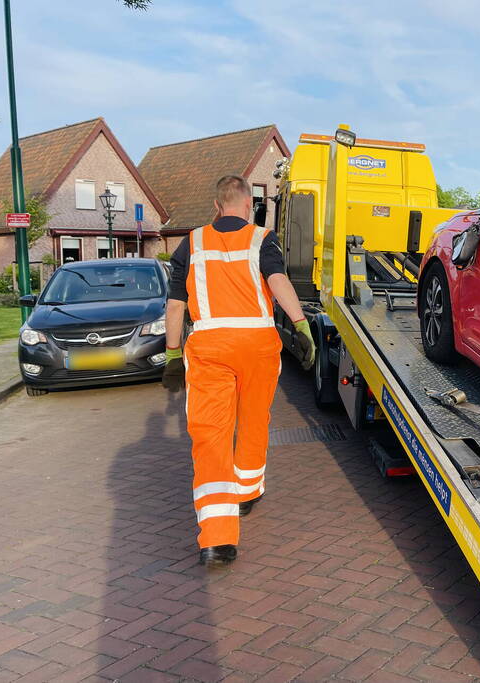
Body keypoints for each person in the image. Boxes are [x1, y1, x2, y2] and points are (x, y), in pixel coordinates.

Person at [161, 175, 315, 568]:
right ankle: (246, 494)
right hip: (259, 346)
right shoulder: (262, 238)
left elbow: (176, 305)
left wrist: (173, 355)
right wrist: (300, 324)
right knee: (253, 419)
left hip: (210, 345)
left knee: (210, 434)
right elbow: (277, 280)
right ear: (248, 205)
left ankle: (217, 540)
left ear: (217, 206)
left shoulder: (191, 243)